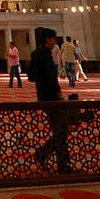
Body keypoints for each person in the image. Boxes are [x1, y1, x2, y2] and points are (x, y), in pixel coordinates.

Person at [29, 28, 70, 173]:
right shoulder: (46, 56)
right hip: (52, 98)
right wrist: (59, 96)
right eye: (53, 39)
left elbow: (31, 77)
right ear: (47, 39)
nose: (55, 41)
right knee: (61, 132)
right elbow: (52, 80)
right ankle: (44, 155)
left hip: (42, 96)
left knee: (60, 130)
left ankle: (62, 165)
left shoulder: (35, 54)